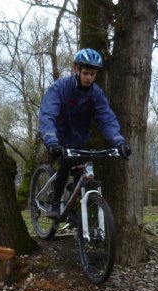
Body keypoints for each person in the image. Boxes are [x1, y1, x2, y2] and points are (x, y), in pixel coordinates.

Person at [38, 48, 131, 219]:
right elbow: (47, 114)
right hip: (59, 137)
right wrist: (51, 140)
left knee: (82, 173)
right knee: (66, 164)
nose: (89, 78)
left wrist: (119, 142)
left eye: (93, 74)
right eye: (86, 73)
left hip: (80, 139)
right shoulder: (60, 88)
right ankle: (56, 203)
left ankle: (74, 205)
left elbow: (106, 118)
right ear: (76, 69)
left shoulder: (96, 94)